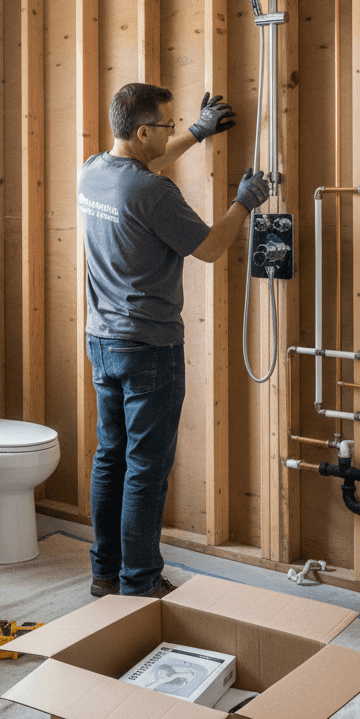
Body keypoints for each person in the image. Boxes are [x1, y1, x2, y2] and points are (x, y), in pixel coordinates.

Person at [77, 82, 269, 598]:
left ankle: (105, 571)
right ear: (142, 131)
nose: (171, 130)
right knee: (146, 469)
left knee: (110, 457)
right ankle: (139, 581)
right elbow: (208, 247)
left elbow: (145, 167)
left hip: (102, 341)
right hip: (149, 348)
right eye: (166, 124)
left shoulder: (93, 171)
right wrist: (243, 204)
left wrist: (196, 134)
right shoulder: (155, 194)